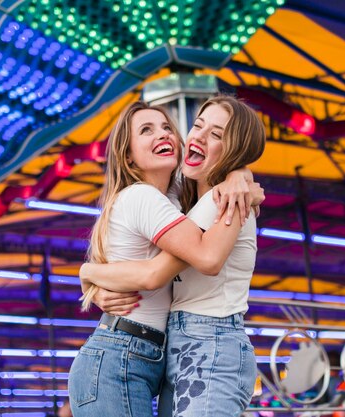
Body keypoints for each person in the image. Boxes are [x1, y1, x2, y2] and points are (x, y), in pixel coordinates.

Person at [68, 100, 262, 417]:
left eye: (167, 127)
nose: (165, 134)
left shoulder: (182, 198)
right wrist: (89, 272)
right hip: (131, 351)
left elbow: (195, 259)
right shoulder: (147, 197)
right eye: (197, 125)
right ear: (127, 155)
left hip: (170, 347)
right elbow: (159, 272)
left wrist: (240, 173)